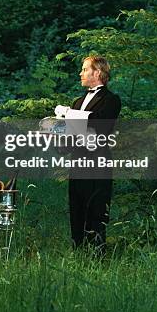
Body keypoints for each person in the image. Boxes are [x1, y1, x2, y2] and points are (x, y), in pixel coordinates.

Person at [58, 56, 121, 253]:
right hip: (77, 163)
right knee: (76, 210)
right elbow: (71, 135)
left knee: (97, 210)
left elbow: (99, 126)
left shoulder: (111, 100)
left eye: (85, 69)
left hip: (97, 164)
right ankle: (78, 254)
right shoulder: (78, 101)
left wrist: (68, 113)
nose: (81, 73)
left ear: (97, 73)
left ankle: (98, 257)